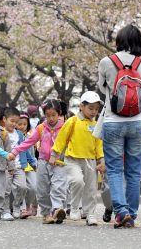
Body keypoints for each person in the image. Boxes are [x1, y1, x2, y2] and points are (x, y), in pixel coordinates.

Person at [98, 24, 141, 228]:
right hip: (138, 123)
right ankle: (132, 214)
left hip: (113, 122)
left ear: (118, 42)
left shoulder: (106, 62)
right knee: (134, 172)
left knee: (115, 169)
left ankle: (121, 212)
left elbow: (103, 87)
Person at [8, 100, 67, 224]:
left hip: (59, 162)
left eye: (54, 115)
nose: (51, 118)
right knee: (42, 189)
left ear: (59, 113)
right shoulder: (41, 128)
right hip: (43, 162)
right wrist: (14, 152)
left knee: (58, 186)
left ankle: (57, 209)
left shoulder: (65, 127)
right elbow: (28, 142)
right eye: (48, 115)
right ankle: (46, 214)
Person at [50, 91, 104, 226]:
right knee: (77, 181)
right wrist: (54, 154)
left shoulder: (96, 124)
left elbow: (99, 144)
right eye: (90, 108)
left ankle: (89, 213)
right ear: (81, 106)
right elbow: (61, 138)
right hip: (72, 159)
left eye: (96, 109)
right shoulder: (72, 121)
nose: (94, 112)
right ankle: (74, 207)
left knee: (91, 189)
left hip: (90, 161)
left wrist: (101, 160)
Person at [0, 107, 35, 221]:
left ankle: (16, 206)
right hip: (6, 166)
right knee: (6, 189)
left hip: (19, 166)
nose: (14, 124)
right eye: (12, 121)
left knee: (23, 186)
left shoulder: (20, 134)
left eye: (16, 122)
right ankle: (4, 211)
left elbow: (25, 149)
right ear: (5, 119)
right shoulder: (1, 133)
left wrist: (32, 161)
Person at [16, 112, 38, 218]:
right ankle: (22, 208)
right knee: (21, 187)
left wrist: (34, 163)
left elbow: (32, 153)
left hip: (30, 165)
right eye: (19, 124)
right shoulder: (13, 137)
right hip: (18, 165)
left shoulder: (31, 136)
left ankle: (29, 205)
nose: (22, 126)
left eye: (24, 124)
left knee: (33, 187)